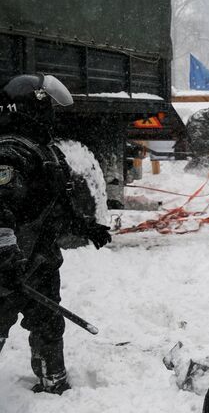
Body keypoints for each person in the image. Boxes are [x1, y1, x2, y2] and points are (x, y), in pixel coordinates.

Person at [0, 73, 112, 395]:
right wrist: (6, 257)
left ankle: (54, 383)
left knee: (48, 325)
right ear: (30, 107)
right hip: (9, 268)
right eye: (46, 106)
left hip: (40, 264)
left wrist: (85, 227)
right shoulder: (10, 151)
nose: (51, 114)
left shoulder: (41, 151)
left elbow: (55, 209)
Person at [183, 102, 209, 173]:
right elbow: (199, 144)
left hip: (203, 136)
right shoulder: (197, 125)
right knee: (206, 154)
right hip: (192, 143)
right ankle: (189, 171)